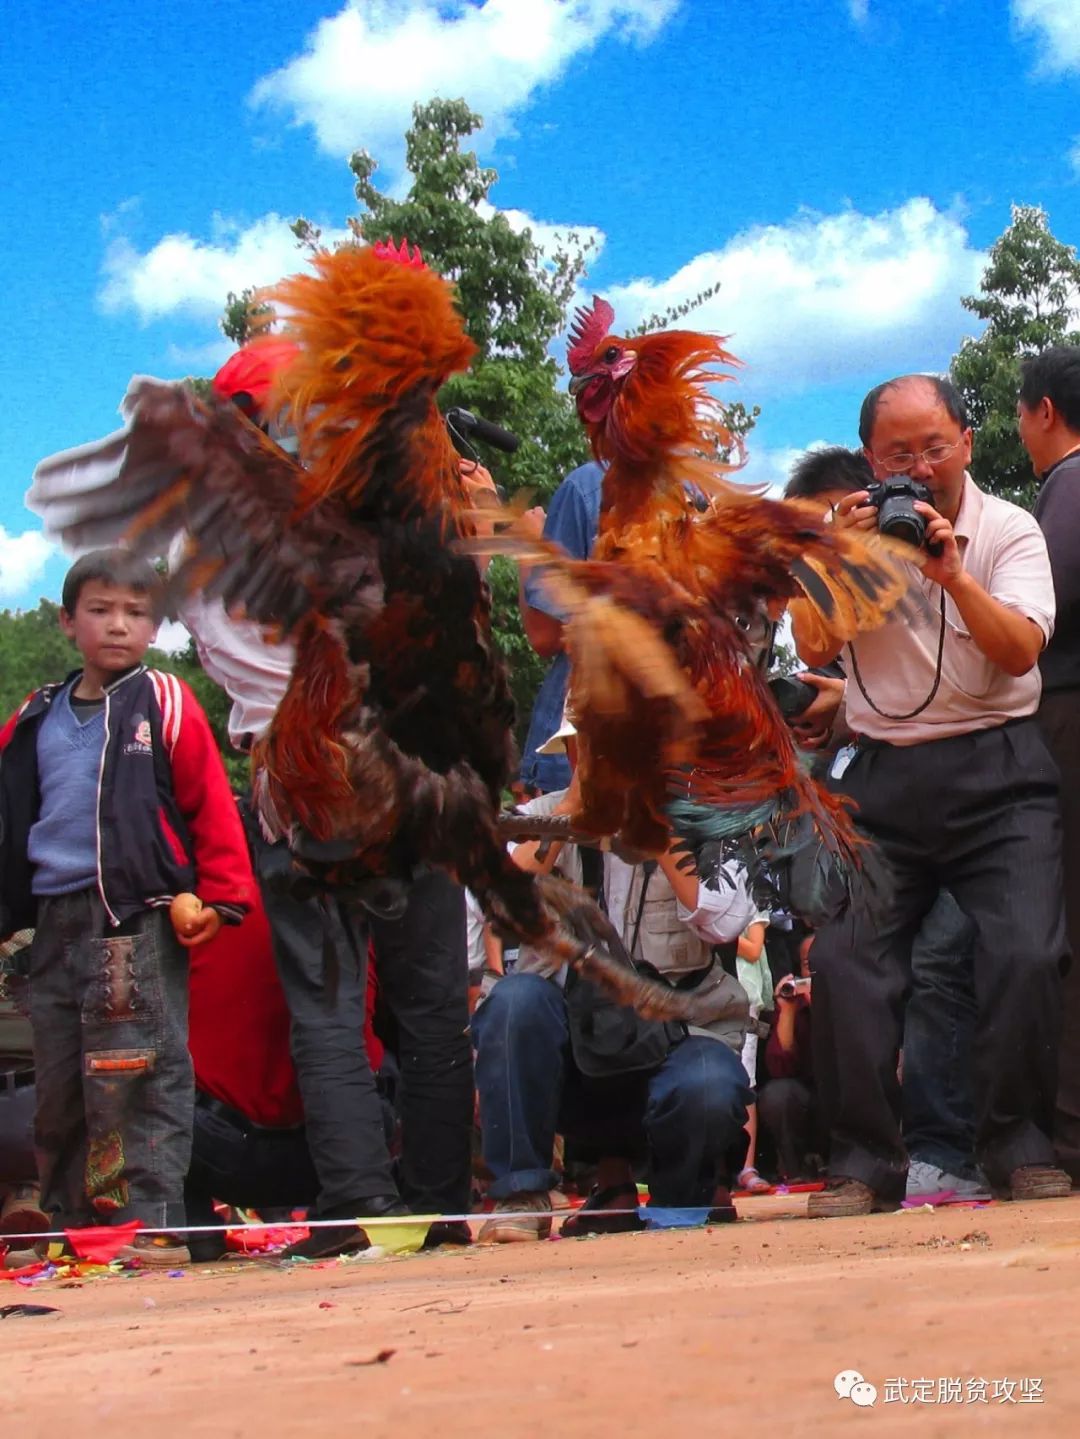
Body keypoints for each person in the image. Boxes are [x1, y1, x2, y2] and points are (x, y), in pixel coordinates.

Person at [171, 349, 478, 1257]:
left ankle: (357, 1210)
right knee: (430, 1006)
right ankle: (441, 1210)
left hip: (302, 778)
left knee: (328, 1006)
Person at [797, 374, 1070, 1217]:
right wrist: (843, 564)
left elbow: (1021, 650)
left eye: (933, 447)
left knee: (1027, 951)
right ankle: (864, 1161)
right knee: (845, 962)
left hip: (1001, 771)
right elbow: (812, 642)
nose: (918, 467)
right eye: (897, 454)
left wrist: (952, 574)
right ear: (871, 462)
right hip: (885, 774)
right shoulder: (847, 539)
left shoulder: (1011, 528)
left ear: (968, 442)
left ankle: (1014, 1143)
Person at [0, 549, 255, 1268]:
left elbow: (209, 800)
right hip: (51, 921)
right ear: (66, 621)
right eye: (101, 610)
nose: (118, 625)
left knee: (137, 1069)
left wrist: (223, 894)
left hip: (135, 917)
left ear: (154, 625)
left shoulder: (165, 700)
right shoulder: (35, 713)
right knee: (59, 1079)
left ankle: (149, 1221)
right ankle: (66, 1217)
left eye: (136, 613)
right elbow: (7, 811)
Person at [472, 711, 755, 1242]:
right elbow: (493, 902)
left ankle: (683, 1195)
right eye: (590, 749)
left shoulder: (702, 816)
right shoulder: (540, 815)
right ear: (573, 759)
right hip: (580, 1047)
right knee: (513, 1003)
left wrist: (659, 828)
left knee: (708, 1089)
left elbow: (726, 921)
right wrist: (568, 818)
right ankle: (521, 1196)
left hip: (681, 1032)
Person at [1018, 346, 1080, 1181]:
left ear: (1043, 411)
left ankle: (1069, 1129)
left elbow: (1041, 617)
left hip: (1068, 710)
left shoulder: (1066, 491)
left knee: (1065, 921)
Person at [518, 460, 604, 794]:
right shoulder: (697, 499)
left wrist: (531, 550)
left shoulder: (588, 485)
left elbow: (545, 635)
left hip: (576, 760)